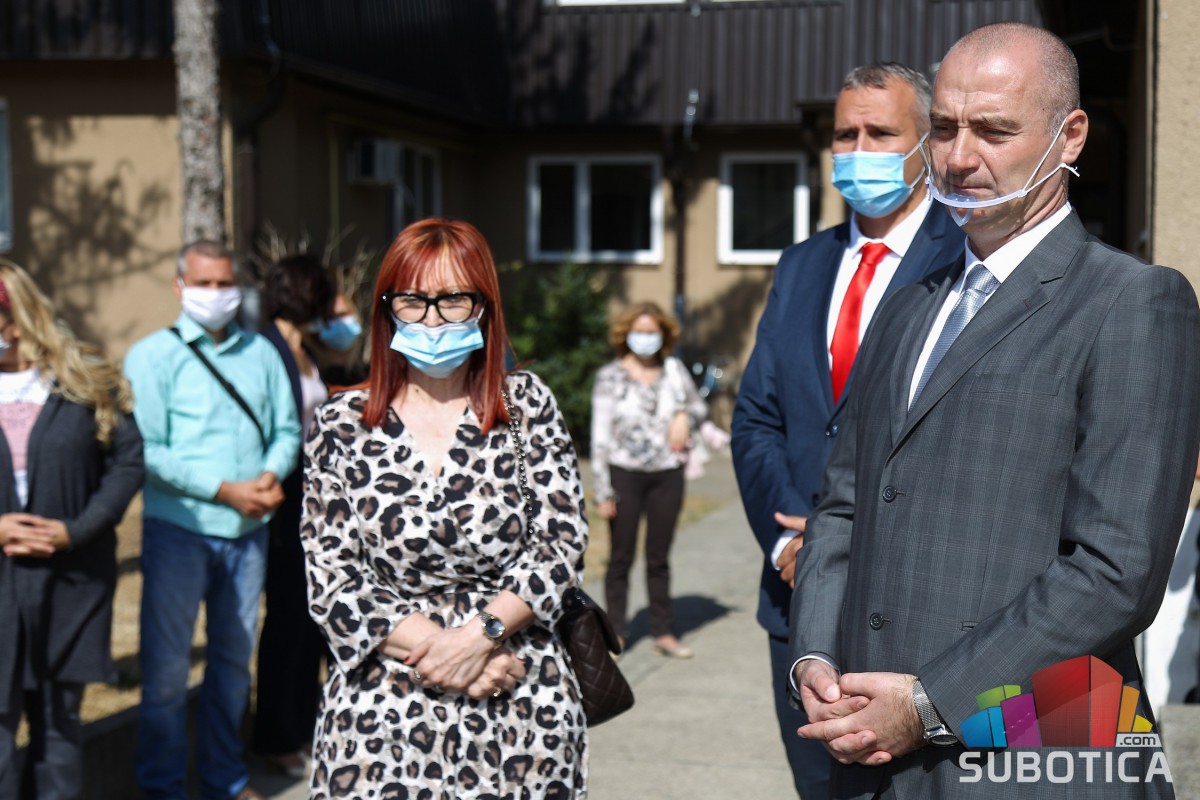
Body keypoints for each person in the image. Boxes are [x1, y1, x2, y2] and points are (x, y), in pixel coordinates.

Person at [789, 22, 1197, 798]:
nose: (958, 156)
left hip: (1035, 762)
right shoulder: (908, 304)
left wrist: (929, 705)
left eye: (994, 131)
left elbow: (1117, 572)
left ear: (1070, 136)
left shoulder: (1133, 303)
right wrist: (815, 657)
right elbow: (843, 505)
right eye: (944, 128)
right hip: (872, 755)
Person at [730, 62, 963, 797]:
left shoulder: (965, 259)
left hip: (914, 611)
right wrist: (789, 545)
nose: (858, 150)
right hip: (798, 608)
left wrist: (848, 544)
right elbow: (757, 420)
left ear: (926, 143)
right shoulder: (802, 264)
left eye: (880, 133)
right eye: (844, 134)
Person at [301, 218, 589, 799]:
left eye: (453, 299)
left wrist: (479, 639)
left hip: (517, 695)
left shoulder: (526, 406)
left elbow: (560, 547)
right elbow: (332, 579)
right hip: (382, 707)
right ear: (387, 309)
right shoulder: (340, 424)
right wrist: (456, 656)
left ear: (483, 305)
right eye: (412, 300)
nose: (432, 321)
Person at [126, 240, 302, 800]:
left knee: (231, 665)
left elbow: (287, 430)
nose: (216, 293)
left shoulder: (261, 352)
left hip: (247, 533)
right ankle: (163, 787)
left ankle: (225, 779)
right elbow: (149, 450)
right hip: (180, 530)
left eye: (225, 283)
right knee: (166, 671)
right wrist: (225, 490)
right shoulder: (152, 355)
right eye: (204, 283)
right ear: (180, 286)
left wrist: (269, 476)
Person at [0, 261, 144, 799]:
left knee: (60, 728)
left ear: (16, 317)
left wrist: (78, 529)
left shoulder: (83, 381)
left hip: (71, 581)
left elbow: (127, 460)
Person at [251, 254, 335, 777]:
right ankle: (276, 735)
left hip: (316, 503)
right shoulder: (265, 349)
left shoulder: (308, 352)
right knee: (286, 619)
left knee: (310, 621)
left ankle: (303, 727)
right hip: (283, 504)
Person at [590, 301, 707, 658]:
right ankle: (615, 630)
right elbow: (600, 436)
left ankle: (663, 630)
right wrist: (602, 490)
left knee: (659, 557)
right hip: (623, 474)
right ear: (626, 334)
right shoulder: (610, 376)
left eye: (652, 332)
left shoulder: (674, 370)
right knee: (621, 557)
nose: (645, 338)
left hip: (666, 474)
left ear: (663, 335)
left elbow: (699, 407)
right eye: (639, 331)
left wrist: (685, 415)